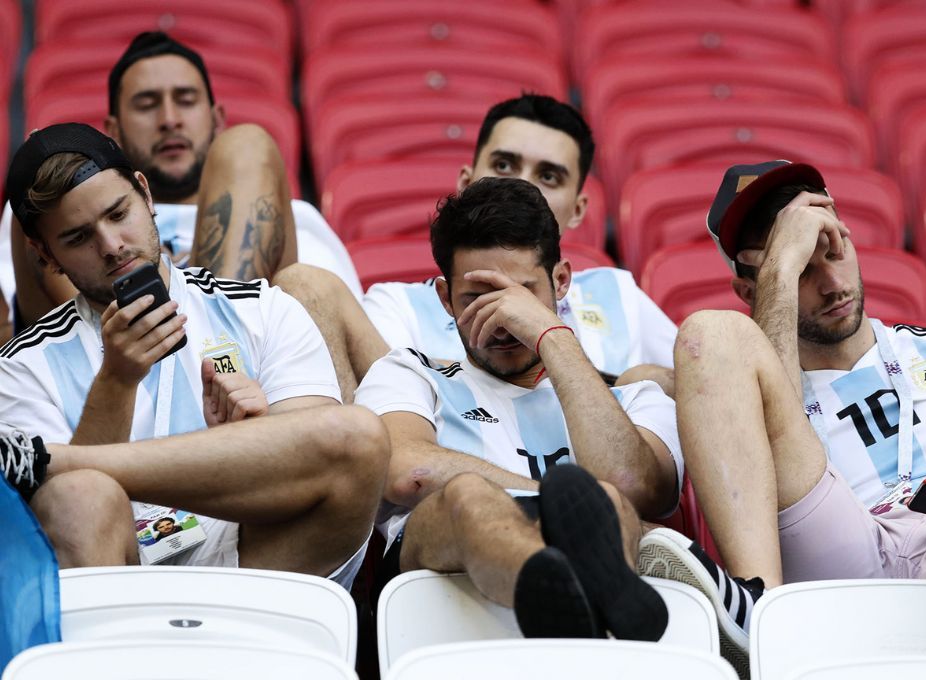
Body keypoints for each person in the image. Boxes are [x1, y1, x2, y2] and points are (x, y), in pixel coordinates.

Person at [641, 161, 926, 672]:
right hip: (845, 551)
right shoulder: (743, 383)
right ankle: (762, 615)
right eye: (804, 269)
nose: (831, 284)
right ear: (751, 292)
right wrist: (779, 266)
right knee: (706, 335)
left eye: (835, 250)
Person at [0, 123, 387, 587]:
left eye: (118, 213)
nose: (111, 245)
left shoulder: (261, 308)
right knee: (80, 493)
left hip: (257, 565)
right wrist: (116, 382)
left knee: (358, 434)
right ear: (45, 253)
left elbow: (331, 469)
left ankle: (56, 458)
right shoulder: (21, 366)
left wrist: (246, 441)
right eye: (78, 238)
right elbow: (65, 525)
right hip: (121, 581)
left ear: (144, 194)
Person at [354, 177, 683, 638]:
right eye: (476, 300)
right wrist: (551, 500)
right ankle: (569, 606)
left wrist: (551, 336)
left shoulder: (633, 399)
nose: (502, 318)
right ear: (444, 299)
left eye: (521, 295)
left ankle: (572, 614)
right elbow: (408, 470)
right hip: (437, 585)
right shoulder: (411, 371)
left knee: (609, 499)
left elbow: (631, 486)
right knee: (468, 496)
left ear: (561, 281)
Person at [2, 31, 362, 337]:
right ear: (113, 131)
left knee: (248, 145)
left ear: (216, 118)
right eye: (146, 105)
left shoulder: (294, 217)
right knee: (40, 181)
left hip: (250, 370)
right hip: (108, 360)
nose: (170, 120)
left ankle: (213, 345)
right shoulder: (47, 218)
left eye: (186, 101)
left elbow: (329, 323)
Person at [359, 94, 677, 388]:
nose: (522, 185)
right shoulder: (397, 306)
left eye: (549, 176)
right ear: (466, 183)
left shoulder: (619, 294)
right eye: (503, 166)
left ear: (579, 210)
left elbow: (699, 388)